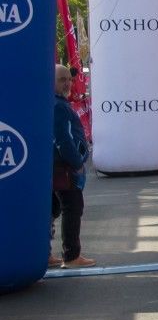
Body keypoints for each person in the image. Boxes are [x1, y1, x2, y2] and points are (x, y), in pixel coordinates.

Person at [50, 64, 95, 269]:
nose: (68, 82)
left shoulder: (58, 103)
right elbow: (63, 140)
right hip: (64, 167)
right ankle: (71, 256)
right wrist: (76, 163)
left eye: (68, 78)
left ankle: (46, 253)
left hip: (57, 165)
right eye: (62, 79)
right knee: (72, 208)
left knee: (52, 210)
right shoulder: (58, 106)